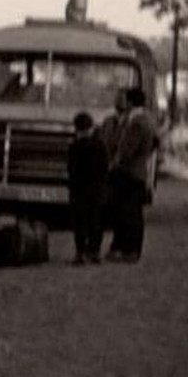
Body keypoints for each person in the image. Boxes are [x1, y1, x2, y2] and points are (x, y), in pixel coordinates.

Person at [105, 86, 158, 263]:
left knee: (128, 213)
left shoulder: (136, 123)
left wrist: (114, 163)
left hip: (130, 173)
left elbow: (127, 149)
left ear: (130, 102)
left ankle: (129, 249)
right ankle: (125, 248)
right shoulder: (145, 120)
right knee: (129, 212)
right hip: (136, 172)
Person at [66, 111, 109, 265]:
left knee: (79, 222)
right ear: (91, 127)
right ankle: (95, 251)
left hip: (78, 189)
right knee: (95, 220)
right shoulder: (99, 145)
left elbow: (71, 169)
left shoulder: (74, 146)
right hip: (96, 188)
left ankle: (80, 252)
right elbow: (105, 166)